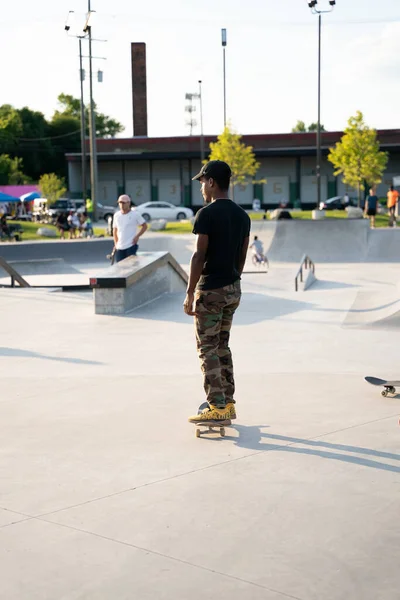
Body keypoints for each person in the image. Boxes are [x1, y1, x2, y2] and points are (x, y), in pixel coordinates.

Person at [184, 160, 251, 424]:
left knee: (207, 348)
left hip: (210, 290)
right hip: (233, 288)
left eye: (202, 182)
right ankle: (229, 403)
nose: (201, 188)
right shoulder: (242, 216)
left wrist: (190, 292)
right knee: (222, 345)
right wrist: (234, 280)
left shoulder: (206, 214)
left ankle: (217, 406)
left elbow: (199, 255)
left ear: (211, 182)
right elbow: (242, 255)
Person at [113, 194, 148, 262]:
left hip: (130, 245)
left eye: (123, 203)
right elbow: (115, 230)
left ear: (128, 203)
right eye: (119, 203)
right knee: (120, 268)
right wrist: (116, 244)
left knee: (131, 267)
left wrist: (137, 236)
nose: (121, 205)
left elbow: (145, 226)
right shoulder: (116, 215)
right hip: (120, 247)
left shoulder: (135, 214)